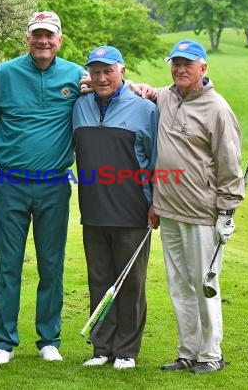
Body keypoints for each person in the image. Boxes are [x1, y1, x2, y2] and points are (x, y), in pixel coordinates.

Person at [0, 11, 86, 364]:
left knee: (51, 264)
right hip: (11, 183)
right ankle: (4, 341)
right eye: (37, 35)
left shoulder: (75, 75)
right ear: (26, 38)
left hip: (54, 185)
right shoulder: (4, 74)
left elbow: (110, 91)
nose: (43, 41)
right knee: (8, 265)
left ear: (60, 39)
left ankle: (48, 339)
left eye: (49, 35)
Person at [138, 39, 244, 374]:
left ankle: (210, 355)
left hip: (202, 213)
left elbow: (230, 166)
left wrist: (227, 213)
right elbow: (141, 90)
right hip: (168, 210)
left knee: (204, 285)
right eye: (176, 63)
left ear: (204, 68)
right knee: (179, 285)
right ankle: (187, 351)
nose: (181, 69)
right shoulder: (167, 96)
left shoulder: (218, 109)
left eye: (188, 64)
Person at [72, 46, 159, 369]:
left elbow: (155, 160)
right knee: (99, 279)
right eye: (96, 71)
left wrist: (155, 203)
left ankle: (126, 350)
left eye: (108, 70)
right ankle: (101, 348)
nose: (102, 77)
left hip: (133, 210)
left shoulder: (145, 109)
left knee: (131, 283)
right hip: (93, 210)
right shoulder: (79, 106)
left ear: (122, 71)